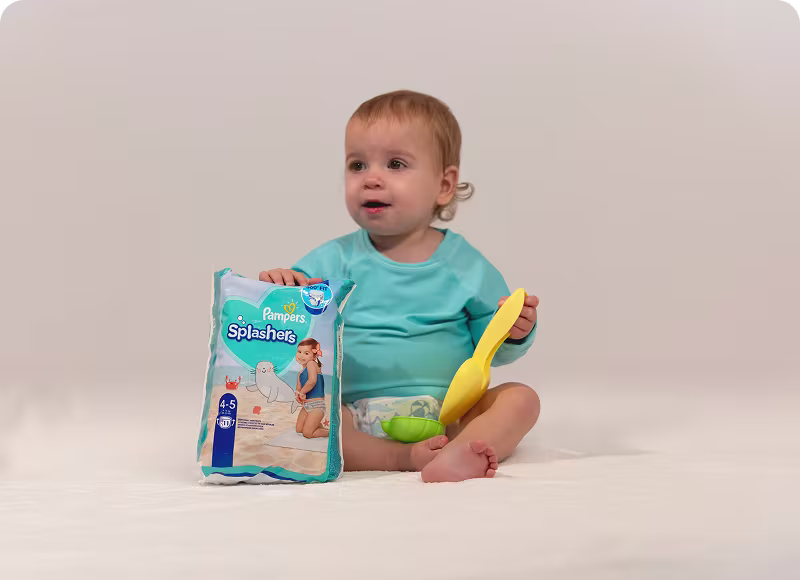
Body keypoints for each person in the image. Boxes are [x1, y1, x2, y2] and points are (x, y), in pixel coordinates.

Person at [261, 90, 540, 482]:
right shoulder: (332, 261)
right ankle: (398, 458)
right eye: (357, 165)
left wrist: (513, 331)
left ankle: (464, 450)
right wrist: (281, 289)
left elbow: (490, 350)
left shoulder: (466, 265)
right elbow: (292, 324)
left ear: (444, 184)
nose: (372, 179)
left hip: (451, 413)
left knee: (521, 398)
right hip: (354, 411)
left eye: (395, 164)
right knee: (315, 414)